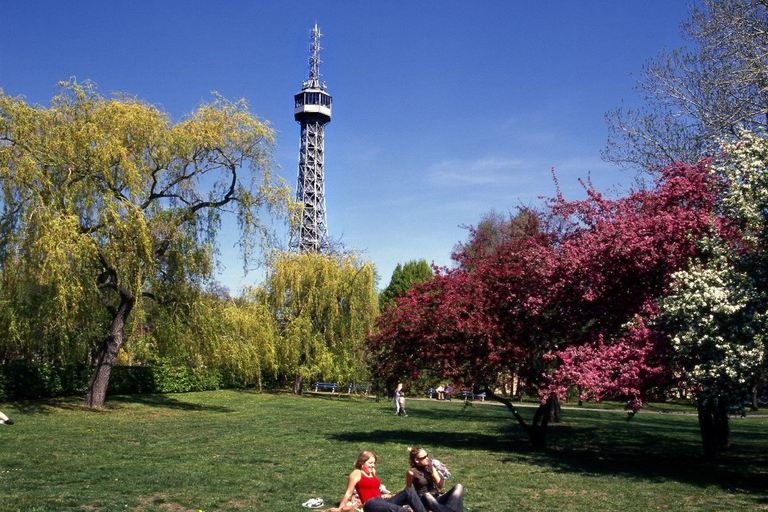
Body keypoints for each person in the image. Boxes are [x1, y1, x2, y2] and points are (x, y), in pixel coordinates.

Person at [338, 450, 427, 512]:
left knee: (409, 491)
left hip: (382, 502)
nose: (373, 465)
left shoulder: (372, 472)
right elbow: (348, 492)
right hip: (370, 504)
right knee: (401, 510)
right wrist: (340, 509)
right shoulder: (357, 473)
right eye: (370, 463)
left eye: (374, 463)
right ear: (362, 463)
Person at [405, 447, 464, 512]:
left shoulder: (430, 466)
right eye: (424, 457)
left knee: (459, 486)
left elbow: (440, 486)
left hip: (436, 497)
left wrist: (443, 476)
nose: (427, 458)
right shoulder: (412, 472)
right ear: (417, 460)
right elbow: (408, 490)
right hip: (423, 500)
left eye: (427, 455)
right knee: (427, 495)